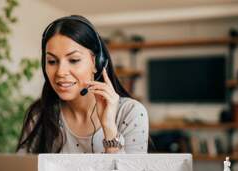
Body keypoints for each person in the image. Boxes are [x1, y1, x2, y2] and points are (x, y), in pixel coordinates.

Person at [16, 15, 149, 154]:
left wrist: (109, 128)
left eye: (73, 60)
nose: (60, 72)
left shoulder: (130, 113)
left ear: (97, 63)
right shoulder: (39, 115)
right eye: (52, 61)